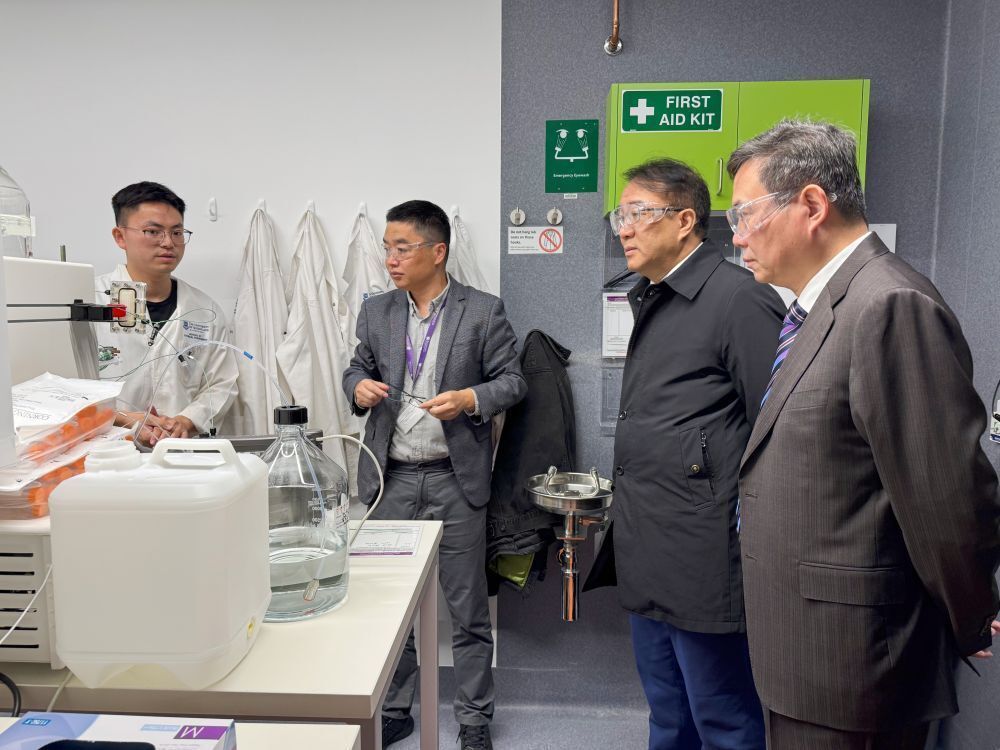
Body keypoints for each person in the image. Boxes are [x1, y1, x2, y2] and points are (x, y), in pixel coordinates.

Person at [727, 119, 1000, 748]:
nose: (737, 235)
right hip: (805, 651)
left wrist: (970, 613)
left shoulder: (888, 303)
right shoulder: (823, 307)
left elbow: (945, 495)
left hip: (856, 667)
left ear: (811, 205)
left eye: (745, 214)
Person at [594, 158, 784, 750]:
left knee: (721, 717)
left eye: (638, 213)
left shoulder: (738, 299)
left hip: (705, 554)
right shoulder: (656, 296)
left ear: (684, 221)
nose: (624, 228)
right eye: (620, 215)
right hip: (649, 541)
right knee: (668, 713)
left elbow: (778, 432)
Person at [342, 200, 526, 750]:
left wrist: (470, 398)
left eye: (403, 247)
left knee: (467, 609)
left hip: (455, 479)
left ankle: (474, 720)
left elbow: (513, 381)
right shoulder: (377, 311)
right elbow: (357, 366)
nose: (391, 259)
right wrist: (358, 387)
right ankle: (395, 708)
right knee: (388, 606)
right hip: (391, 478)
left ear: (438, 251)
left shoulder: (483, 311)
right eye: (388, 248)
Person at [96, 181, 237, 445]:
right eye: (153, 231)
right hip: (109, 451)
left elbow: (221, 383)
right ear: (120, 237)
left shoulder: (204, 311)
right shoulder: (91, 304)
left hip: (180, 450)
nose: (168, 243)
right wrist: (122, 418)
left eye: (177, 232)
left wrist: (186, 420)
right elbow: (67, 392)